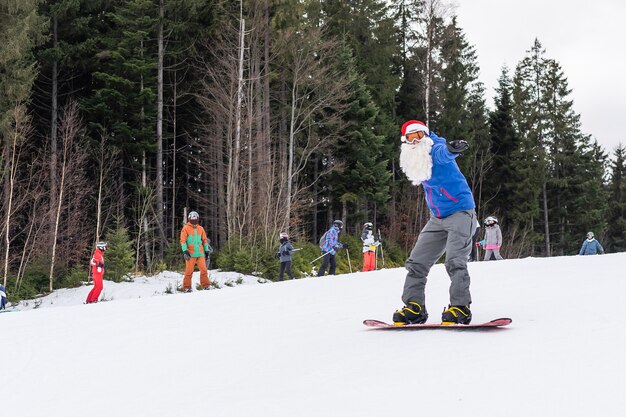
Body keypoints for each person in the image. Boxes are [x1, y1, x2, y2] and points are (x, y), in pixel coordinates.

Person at [392, 120, 477, 326]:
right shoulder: (414, 159)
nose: (416, 141)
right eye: (411, 138)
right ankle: (415, 308)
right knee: (416, 263)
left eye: (419, 135)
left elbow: (443, 153)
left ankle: (460, 307)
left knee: (455, 261)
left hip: (460, 213)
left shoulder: (435, 148)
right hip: (437, 218)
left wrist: (451, 149)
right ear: (405, 141)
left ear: (426, 135)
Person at [180, 211, 211, 292]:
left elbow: (204, 240)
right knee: (189, 271)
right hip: (190, 254)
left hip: (200, 253)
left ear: (197, 218)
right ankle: (187, 287)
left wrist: (207, 251)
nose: (194, 219)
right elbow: (183, 241)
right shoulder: (185, 228)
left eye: (195, 218)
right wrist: (185, 251)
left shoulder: (201, 228)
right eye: (192, 218)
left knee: (204, 270)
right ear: (189, 218)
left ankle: (206, 285)